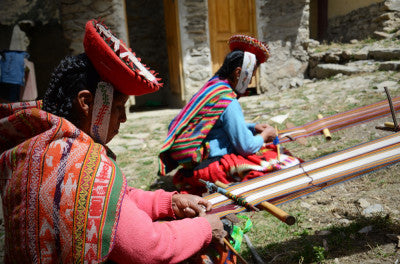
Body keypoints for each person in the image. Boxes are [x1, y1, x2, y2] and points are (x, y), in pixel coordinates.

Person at [0, 19, 227, 263]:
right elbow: (148, 248)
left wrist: (169, 202)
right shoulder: (83, 165)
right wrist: (205, 228)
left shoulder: (36, 144)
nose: (124, 119)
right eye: (119, 107)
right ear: (86, 102)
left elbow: (112, 202)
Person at [158, 35, 301, 194]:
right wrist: (265, 135)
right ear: (239, 72)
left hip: (193, 165)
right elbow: (246, 147)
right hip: (210, 167)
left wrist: (253, 127)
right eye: (251, 76)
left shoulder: (213, 87)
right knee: (281, 162)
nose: (250, 82)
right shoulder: (228, 100)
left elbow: (214, 124)